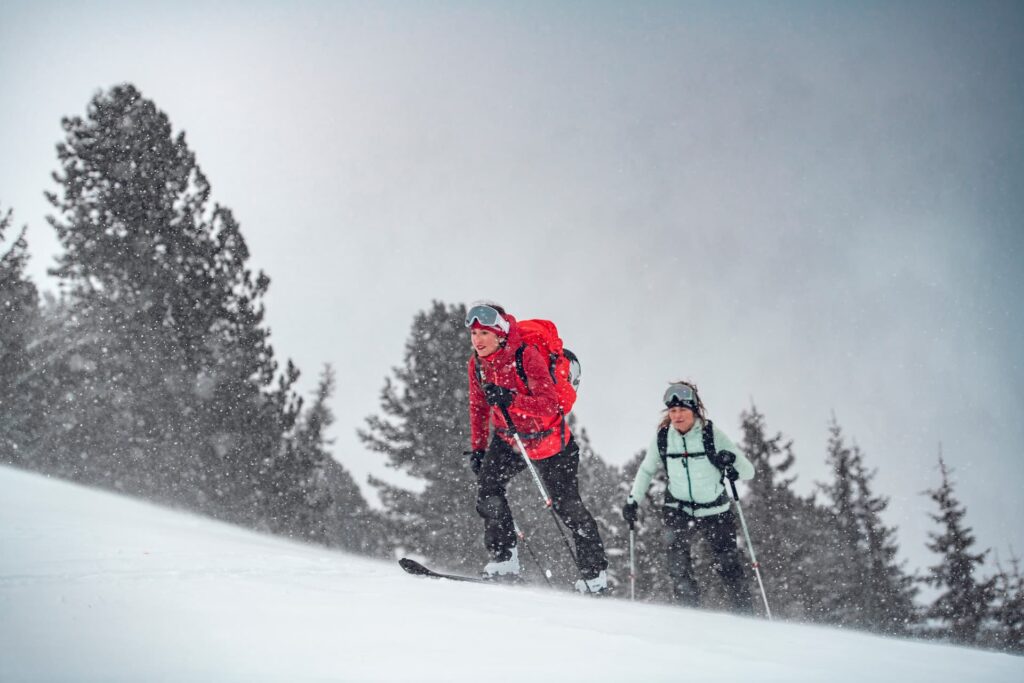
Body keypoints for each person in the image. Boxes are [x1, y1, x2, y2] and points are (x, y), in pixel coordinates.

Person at [465, 301, 608, 593]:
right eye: (474, 334)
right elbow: (478, 407)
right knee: (488, 491)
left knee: (568, 507)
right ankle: (504, 560)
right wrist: (478, 448)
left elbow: (549, 404)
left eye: (484, 333)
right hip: (509, 440)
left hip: (551, 444)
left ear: (500, 334)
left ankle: (594, 577)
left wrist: (511, 398)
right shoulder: (476, 365)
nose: (477, 340)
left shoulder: (526, 356)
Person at [622, 381, 755, 612]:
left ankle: (745, 616)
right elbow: (646, 469)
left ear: (694, 410)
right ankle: (690, 617)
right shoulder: (663, 437)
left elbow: (748, 471)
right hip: (678, 509)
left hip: (715, 510)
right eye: (673, 411)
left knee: (728, 565)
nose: (677, 416)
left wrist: (729, 462)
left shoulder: (711, 434)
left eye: (682, 410)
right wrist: (633, 500)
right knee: (678, 566)